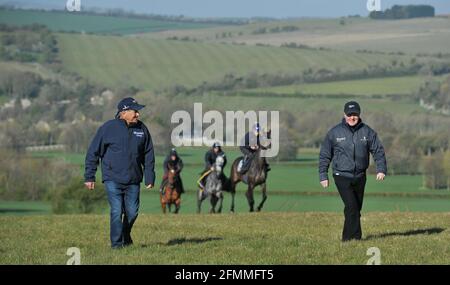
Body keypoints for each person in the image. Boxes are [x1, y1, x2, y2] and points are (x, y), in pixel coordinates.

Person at [84, 97, 155, 249]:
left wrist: (150, 176)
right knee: (116, 210)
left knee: (132, 212)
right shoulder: (108, 128)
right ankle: (117, 245)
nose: (138, 114)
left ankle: (125, 234)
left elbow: (148, 154)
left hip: (133, 179)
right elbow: (93, 152)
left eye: (138, 111)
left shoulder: (142, 129)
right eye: (135, 111)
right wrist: (89, 176)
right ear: (123, 113)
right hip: (112, 178)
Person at [319, 101, 387, 242]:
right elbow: (325, 154)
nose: (352, 117)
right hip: (341, 175)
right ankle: (353, 239)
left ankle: (349, 238)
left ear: (359, 114)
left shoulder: (368, 132)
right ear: (344, 115)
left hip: (360, 176)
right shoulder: (334, 132)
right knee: (352, 207)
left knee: (354, 209)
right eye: (349, 115)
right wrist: (323, 175)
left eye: (355, 114)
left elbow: (378, 151)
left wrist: (381, 169)